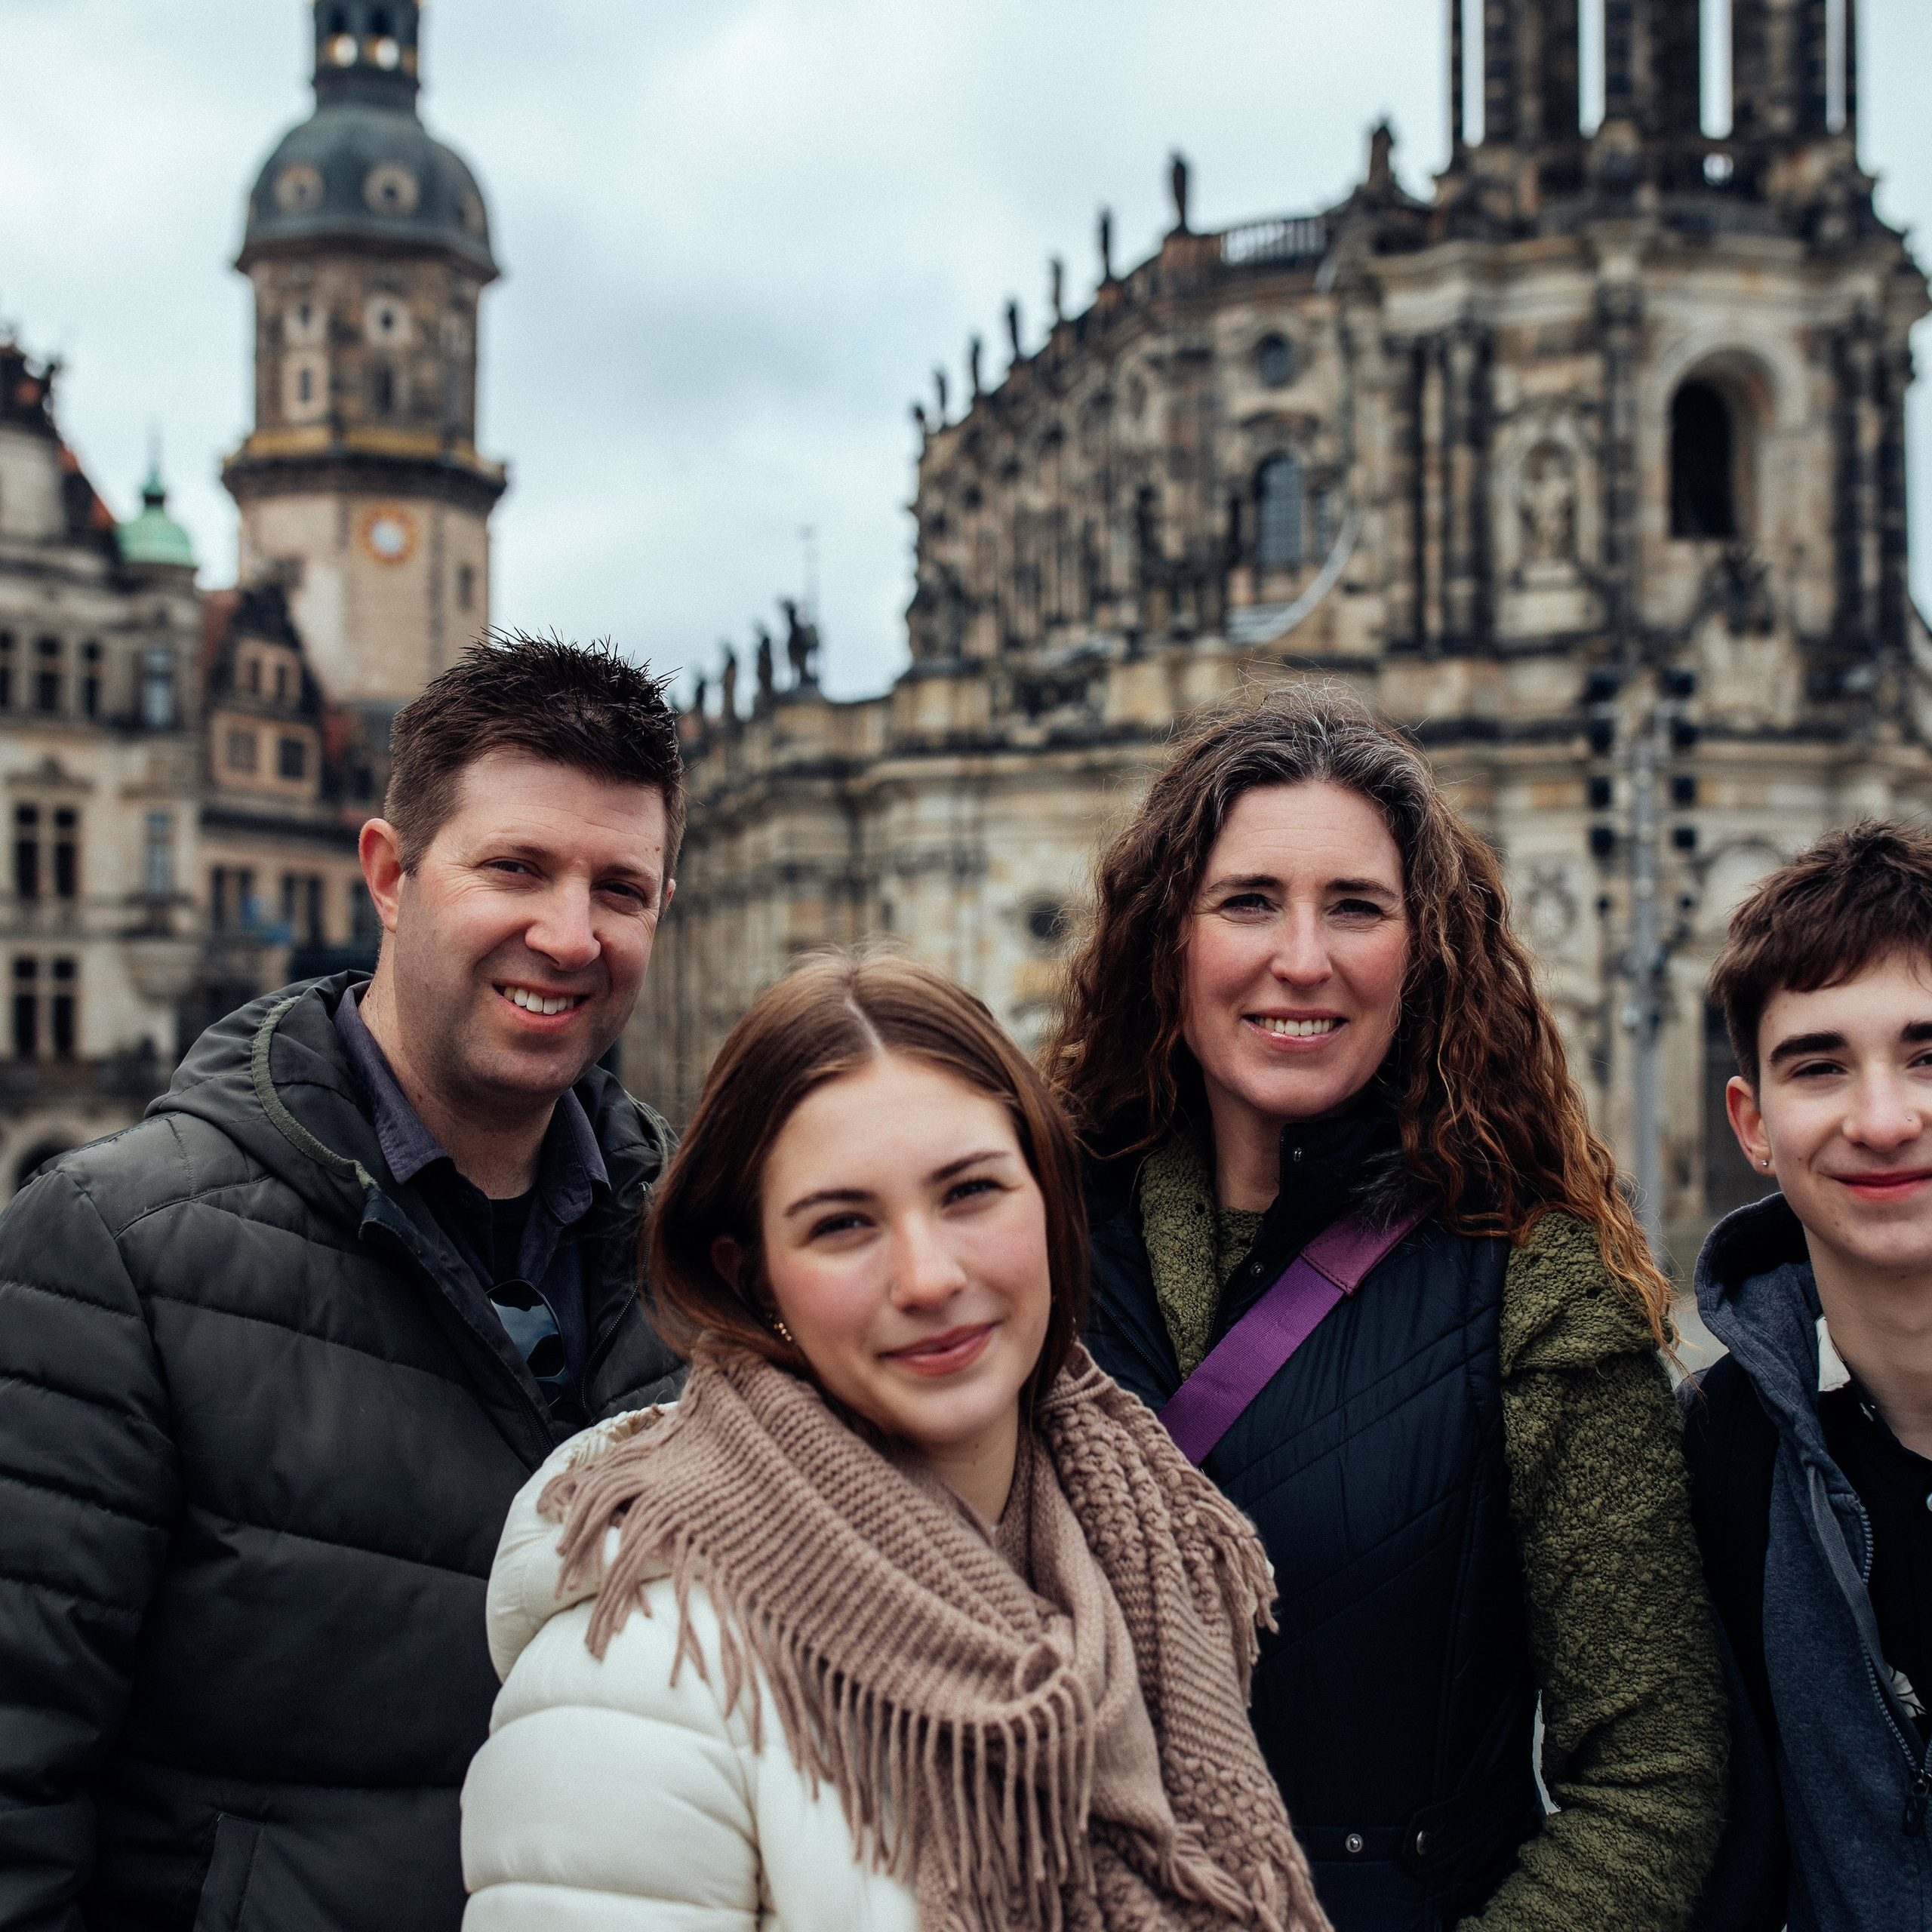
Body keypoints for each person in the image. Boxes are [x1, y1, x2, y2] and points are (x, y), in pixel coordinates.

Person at [0, 635, 687, 1932]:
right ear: (389, 874)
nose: (569, 934)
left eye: (623, 889)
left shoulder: (701, 1259)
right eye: (516, 868)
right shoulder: (110, 1250)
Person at [461, 952, 1331, 1932]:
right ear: (752, 1281)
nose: (927, 1277)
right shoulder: (636, 1676)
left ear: (1049, 1198)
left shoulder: (1151, 1561)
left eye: (969, 1192)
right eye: (842, 1224)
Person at [1048, 686, 1725, 1932]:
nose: (1300, 957)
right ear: (1167, 940)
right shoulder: (1035, 1245)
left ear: (1424, 951)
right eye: (1249, 900)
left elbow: (1655, 1782)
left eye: (1355, 907)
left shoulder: (1537, 1278)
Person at [1683, 821, 1932, 1931]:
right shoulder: (1718, 1458)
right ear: (1756, 1127)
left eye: (1931, 1056)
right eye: (1820, 1065)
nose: (1884, 1119)